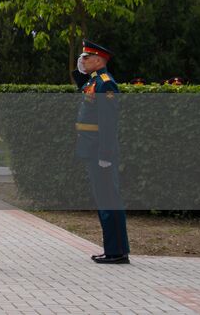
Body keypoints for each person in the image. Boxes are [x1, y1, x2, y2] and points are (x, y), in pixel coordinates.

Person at [73, 39, 130, 264]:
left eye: (86, 57)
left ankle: (116, 251)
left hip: (100, 151)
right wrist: (80, 68)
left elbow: (107, 123)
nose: (82, 61)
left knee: (109, 200)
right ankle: (112, 248)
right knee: (103, 199)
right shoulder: (94, 81)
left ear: (99, 60)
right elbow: (80, 81)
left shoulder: (106, 84)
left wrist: (105, 155)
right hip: (92, 149)